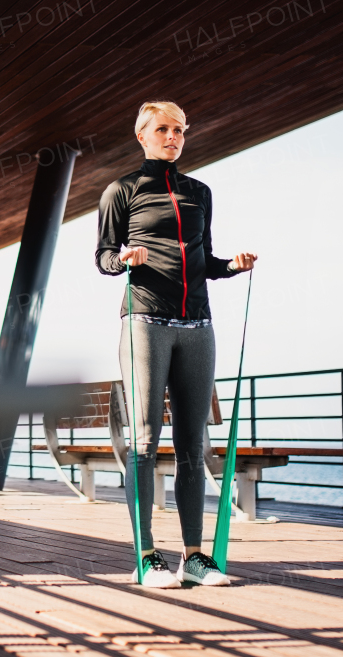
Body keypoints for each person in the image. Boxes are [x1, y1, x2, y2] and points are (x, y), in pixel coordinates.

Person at [95, 101, 256, 588]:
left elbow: (202, 258)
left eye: (180, 130)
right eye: (163, 129)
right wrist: (123, 257)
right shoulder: (122, 190)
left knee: (194, 444)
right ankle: (146, 557)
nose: (173, 137)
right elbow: (103, 257)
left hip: (197, 325)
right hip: (145, 319)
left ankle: (194, 556)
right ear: (142, 135)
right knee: (145, 441)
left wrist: (232, 266)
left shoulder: (199, 192)